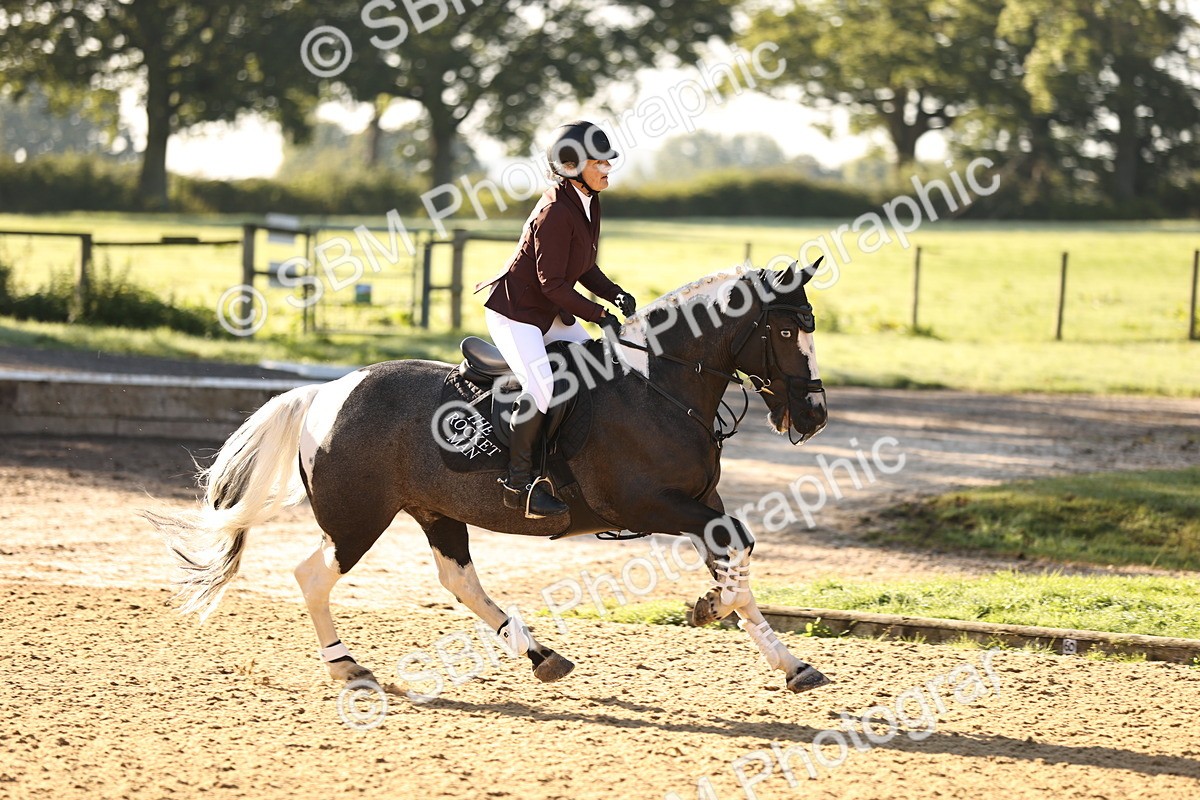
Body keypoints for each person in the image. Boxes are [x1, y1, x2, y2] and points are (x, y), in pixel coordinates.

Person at [474, 120, 637, 519]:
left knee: (604, 368)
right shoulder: (554, 212)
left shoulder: (587, 202)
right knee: (543, 386)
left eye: (607, 162)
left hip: (551, 312)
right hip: (518, 315)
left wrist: (615, 293)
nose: (607, 169)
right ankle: (519, 484)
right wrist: (600, 315)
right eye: (599, 163)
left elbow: (583, 268)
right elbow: (552, 285)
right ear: (570, 166)